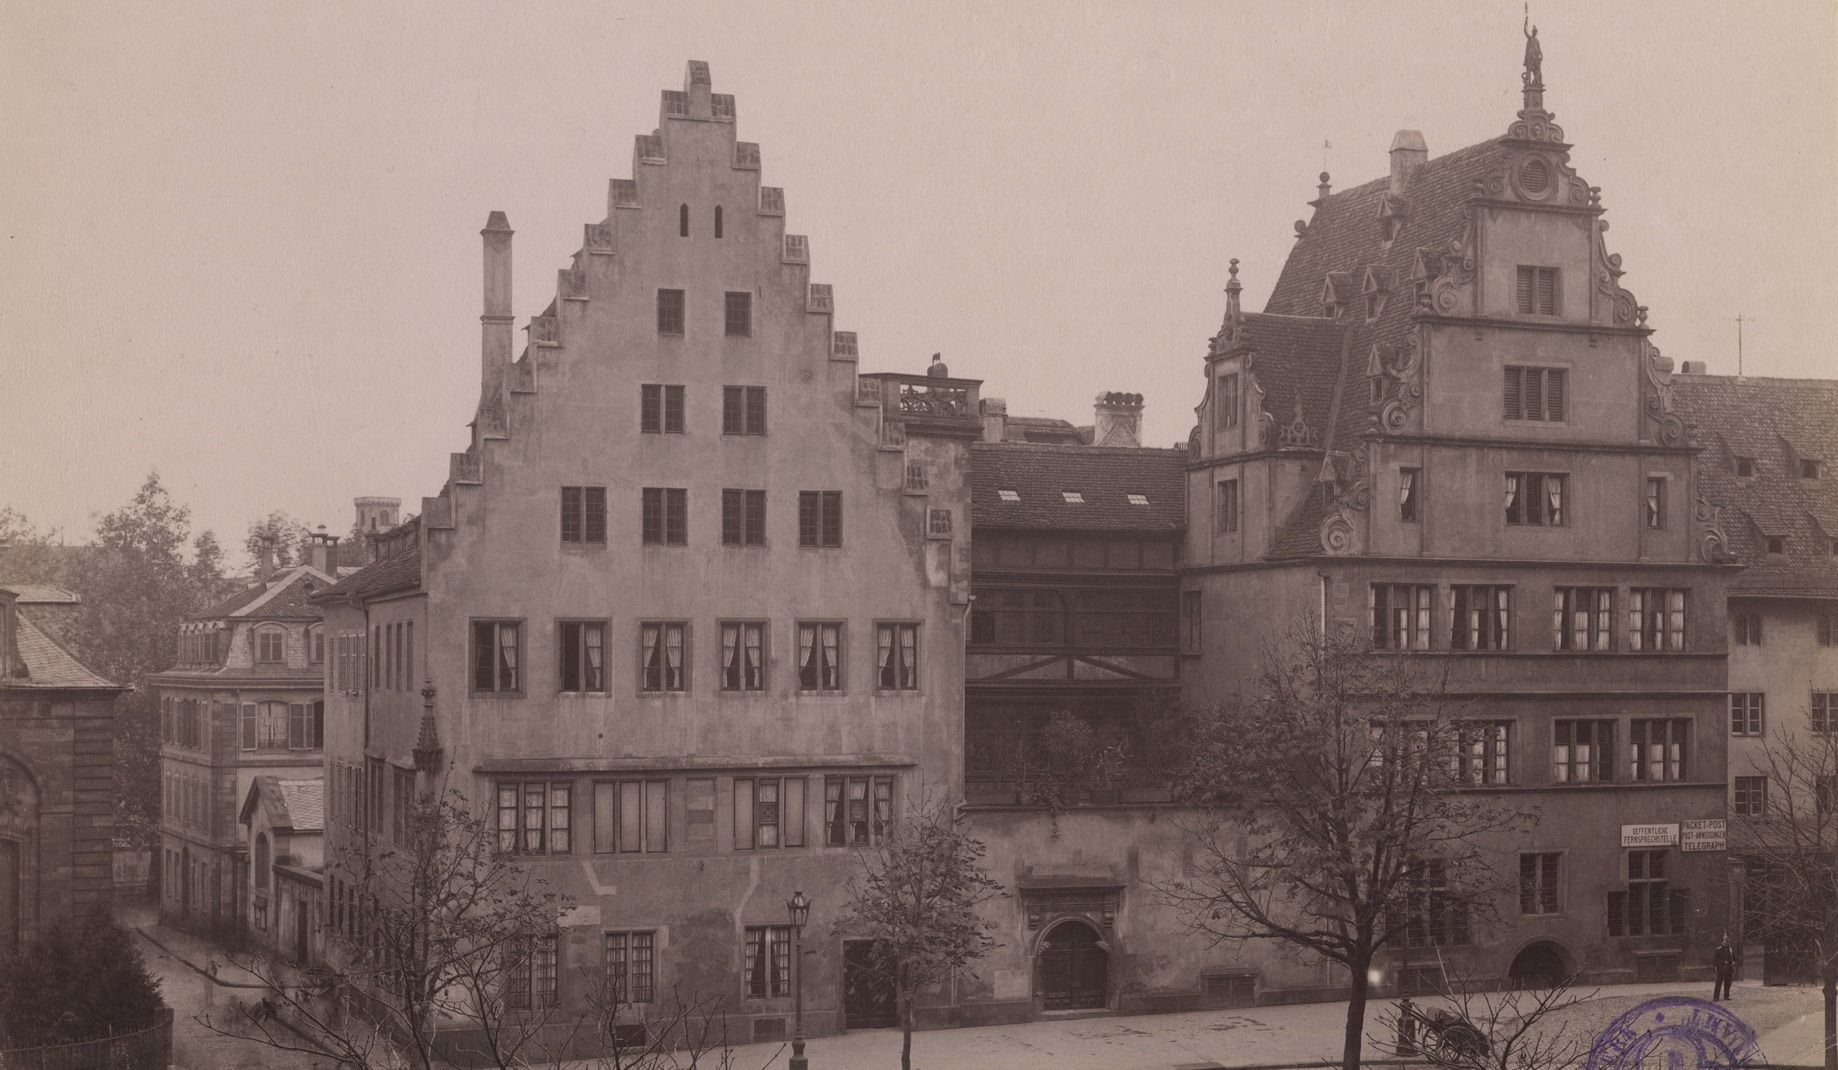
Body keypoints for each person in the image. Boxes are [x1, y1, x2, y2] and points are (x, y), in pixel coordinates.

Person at [1712, 934, 1735, 1000]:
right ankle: (1716, 997)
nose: (1725, 944)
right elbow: (1715, 959)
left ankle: (1726, 996)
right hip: (1721, 968)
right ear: (1721, 943)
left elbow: (1734, 958)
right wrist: (1715, 967)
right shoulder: (1718, 950)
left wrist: (1732, 962)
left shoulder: (1730, 950)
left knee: (1727, 983)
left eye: (1726, 942)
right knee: (1718, 983)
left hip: (1728, 968)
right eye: (1724, 942)